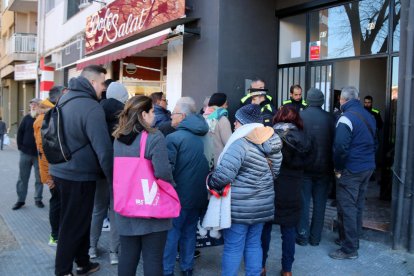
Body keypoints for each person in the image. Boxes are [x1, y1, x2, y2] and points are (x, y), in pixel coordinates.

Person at [50, 65, 113, 276]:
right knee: (72, 224)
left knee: (80, 220)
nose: (104, 88)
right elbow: (103, 148)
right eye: (103, 82)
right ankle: (63, 271)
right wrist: (112, 178)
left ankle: (83, 262)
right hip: (79, 175)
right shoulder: (91, 107)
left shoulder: (65, 98)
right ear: (93, 82)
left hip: (60, 169)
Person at [207, 104, 282, 276]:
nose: (234, 124)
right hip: (263, 205)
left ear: (245, 123)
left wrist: (210, 181)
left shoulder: (240, 144)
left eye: (237, 121)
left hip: (239, 208)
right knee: (254, 244)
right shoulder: (272, 142)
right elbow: (274, 174)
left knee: (233, 247)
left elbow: (223, 176)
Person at [113, 95, 174, 276]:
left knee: (127, 257)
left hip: (126, 205)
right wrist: (171, 186)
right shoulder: (154, 137)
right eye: (152, 111)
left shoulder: (118, 138)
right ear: (143, 114)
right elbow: (162, 172)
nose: (154, 115)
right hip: (152, 206)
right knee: (153, 259)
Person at [163, 97, 210, 276]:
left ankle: (167, 271)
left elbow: (167, 170)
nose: (170, 118)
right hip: (199, 195)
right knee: (190, 232)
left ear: (182, 116)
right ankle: (187, 267)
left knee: (172, 234)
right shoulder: (206, 133)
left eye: (173, 114)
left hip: (178, 195)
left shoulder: (173, 138)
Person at [330, 86, 376, 260]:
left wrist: (339, 168)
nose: (339, 102)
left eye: (340, 100)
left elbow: (340, 147)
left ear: (344, 100)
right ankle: (352, 239)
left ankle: (349, 249)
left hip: (351, 169)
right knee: (357, 206)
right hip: (367, 167)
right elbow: (375, 141)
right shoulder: (369, 116)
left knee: (347, 207)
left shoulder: (345, 118)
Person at [270, 105, 313, 276]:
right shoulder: (305, 137)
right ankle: (287, 270)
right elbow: (310, 161)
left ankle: (261, 266)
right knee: (288, 231)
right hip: (294, 188)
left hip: (272, 186)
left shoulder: (270, 136)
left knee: (265, 228)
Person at [89, 82, 127, 264]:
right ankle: (114, 252)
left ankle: (92, 248)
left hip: (99, 168)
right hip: (119, 169)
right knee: (115, 210)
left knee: (97, 209)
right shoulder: (125, 115)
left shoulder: (96, 111)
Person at [296, 88, 335, 247]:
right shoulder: (330, 118)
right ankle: (315, 238)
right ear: (322, 101)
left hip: (304, 168)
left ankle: (302, 236)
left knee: (304, 203)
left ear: (307, 100)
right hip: (324, 169)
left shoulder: (300, 116)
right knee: (320, 204)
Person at [33, 86, 66, 246]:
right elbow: (44, 151)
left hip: (54, 170)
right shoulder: (45, 118)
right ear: (59, 98)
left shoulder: (51, 113)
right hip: (53, 172)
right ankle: (55, 236)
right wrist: (49, 177)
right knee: (57, 203)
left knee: (58, 202)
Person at [12, 98, 44, 210]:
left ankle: (38, 199)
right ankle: (20, 200)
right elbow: (20, 133)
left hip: (39, 154)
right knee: (22, 178)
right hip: (25, 153)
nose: (33, 106)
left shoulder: (43, 119)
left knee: (39, 178)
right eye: (32, 104)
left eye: (35, 104)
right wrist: (21, 147)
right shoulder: (26, 118)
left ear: (40, 106)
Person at [203, 92, 232, 167]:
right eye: (226, 104)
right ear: (222, 104)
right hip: (218, 162)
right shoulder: (222, 119)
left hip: (204, 161)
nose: (227, 107)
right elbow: (229, 143)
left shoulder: (203, 117)